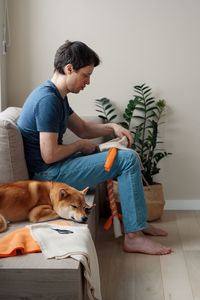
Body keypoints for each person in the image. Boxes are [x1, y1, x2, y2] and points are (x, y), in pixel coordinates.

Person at [17, 40, 171, 255]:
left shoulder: (57, 97)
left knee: (123, 155)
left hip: (56, 169)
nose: (88, 82)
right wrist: (79, 146)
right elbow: (49, 155)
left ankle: (138, 225)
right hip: (49, 178)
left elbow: (82, 128)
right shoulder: (47, 100)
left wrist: (112, 127)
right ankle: (134, 236)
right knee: (127, 160)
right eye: (85, 75)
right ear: (69, 68)